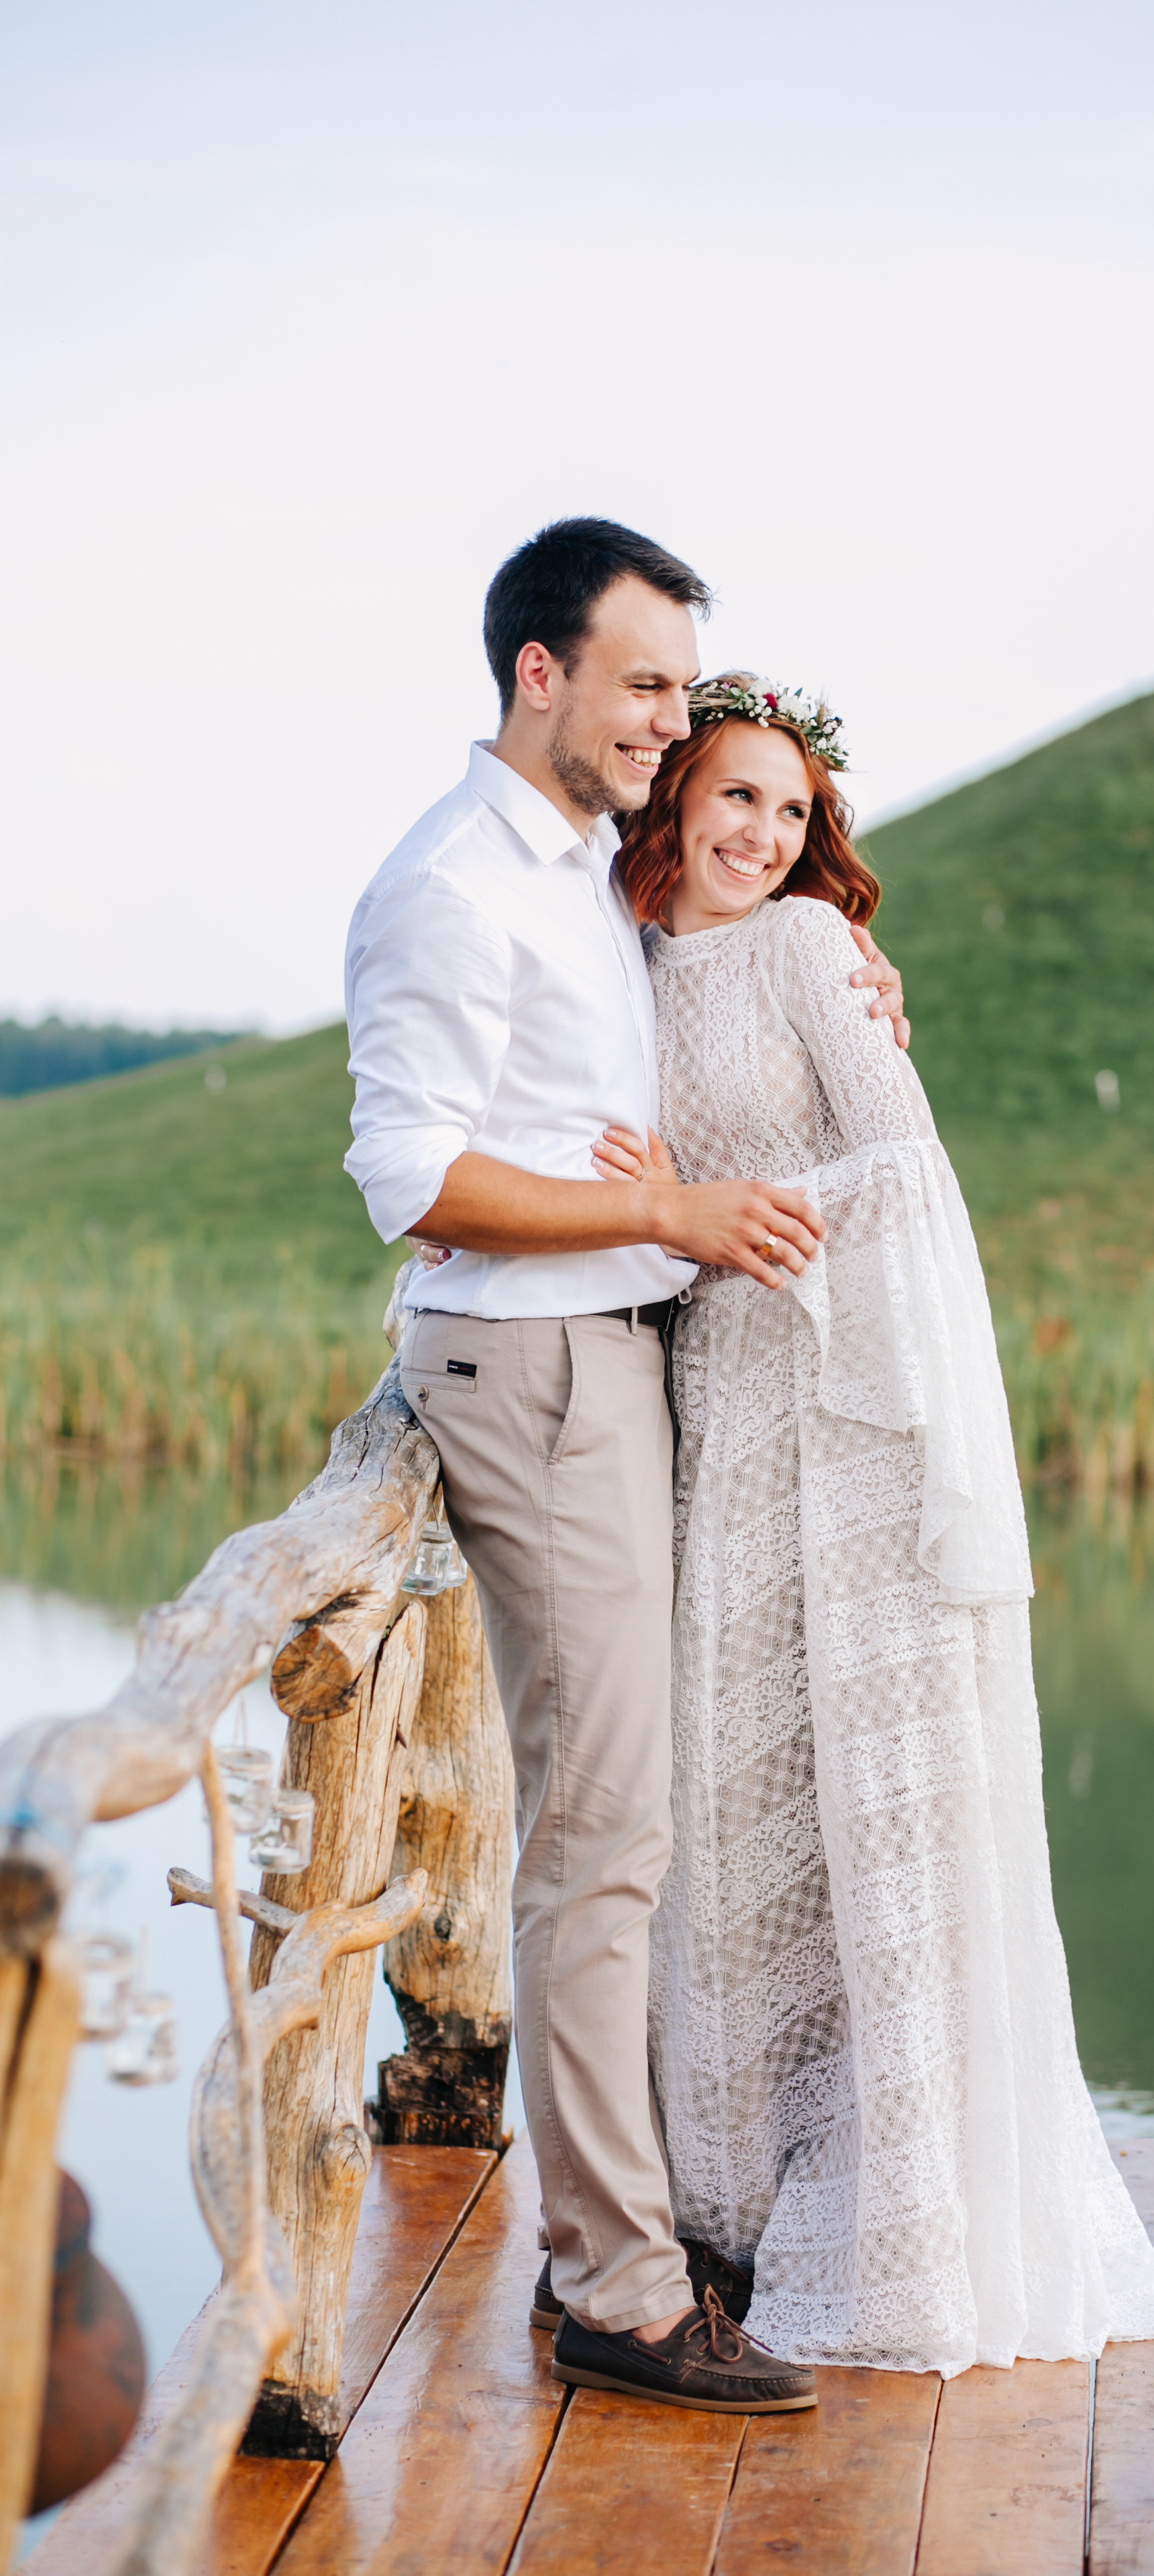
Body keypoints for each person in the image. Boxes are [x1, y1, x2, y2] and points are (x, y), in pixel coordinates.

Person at [591, 674, 1154, 2373]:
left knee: (860, 1797)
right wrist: (657, 1210)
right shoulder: (618, 941)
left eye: (790, 816)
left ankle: (889, 2208)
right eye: (734, 800)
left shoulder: (810, 952)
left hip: (842, 1420)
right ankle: (712, 2202)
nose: (758, 837)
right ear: (672, 800)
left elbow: (903, 1168)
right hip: (715, 1412)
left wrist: (719, 1206)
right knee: (725, 1802)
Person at [344, 522, 910, 2416]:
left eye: (685, 686)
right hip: (537, 1368)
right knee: (606, 1840)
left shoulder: (584, 872)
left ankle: (643, 2228)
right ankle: (617, 2288)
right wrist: (667, 1206)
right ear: (540, 677)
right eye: (649, 683)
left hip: (604, 1354)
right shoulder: (454, 887)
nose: (674, 718)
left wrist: (849, 980)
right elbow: (410, 1178)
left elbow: (705, 995)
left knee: (633, 1830)